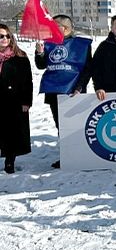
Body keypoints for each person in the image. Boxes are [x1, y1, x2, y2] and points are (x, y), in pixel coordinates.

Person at [35, 15, 92, 168]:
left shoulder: (81, 44)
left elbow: (87, 69)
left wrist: (80, 87)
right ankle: (67, 155)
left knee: (77, 125)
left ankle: (81, 154)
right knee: (61, 125)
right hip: (54, 91)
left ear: (65, 28)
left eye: (54, 26)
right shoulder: (48, 43)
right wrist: (40, 53)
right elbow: (41, 66)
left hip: (74, 90)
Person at [0, 24, 32, 174]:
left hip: (14, 100)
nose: (4, 39)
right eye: (1, 36)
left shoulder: (20, 56)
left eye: (7, 36)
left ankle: (9, 161)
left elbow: (28, 81)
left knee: (11, 132)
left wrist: (26, 101)